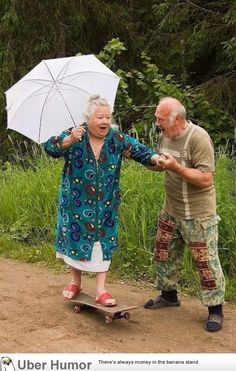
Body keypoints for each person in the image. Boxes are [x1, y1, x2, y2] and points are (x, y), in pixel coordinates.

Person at [44, 94, 160, 307]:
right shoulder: (74, 134)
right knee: (75, 239)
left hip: (106, 203)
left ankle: (101, 290)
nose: (105, 121)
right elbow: (50, 148)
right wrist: (68, 140)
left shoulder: (116, 139)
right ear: (88, 118)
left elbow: (140, 151)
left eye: (107, 117)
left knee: (103, 242)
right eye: (99, 117)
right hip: (76, 202)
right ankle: (75, 282)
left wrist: (156, 158)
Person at [144, 97, 225, 332]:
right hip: (171, 209)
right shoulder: (165, 134)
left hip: (198, 214)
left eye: (160, 119)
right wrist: (152, 161)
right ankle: (169, 296)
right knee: (163, 254)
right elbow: (162, 163)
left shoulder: (198, 138)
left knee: (205, 263)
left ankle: (215, 311)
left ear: (176, 118)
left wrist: (176, 167)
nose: (156, 123)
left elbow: (206, 178)